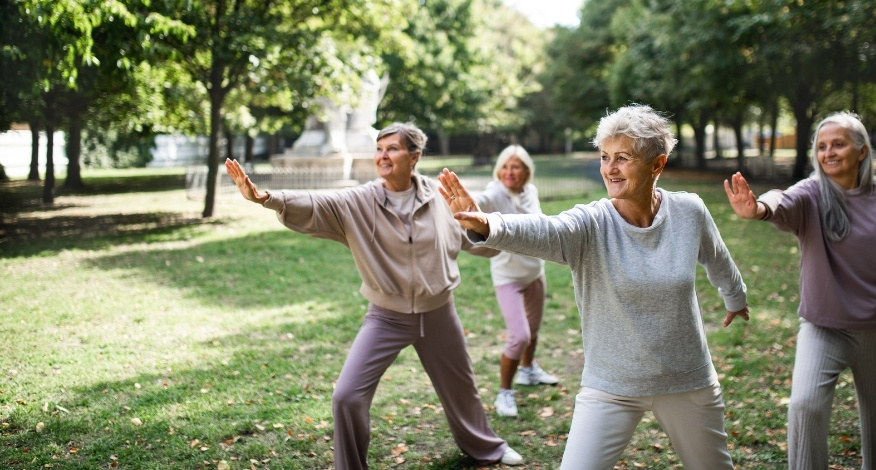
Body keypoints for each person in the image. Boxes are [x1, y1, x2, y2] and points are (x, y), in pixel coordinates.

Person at [438, 104, 750, 470]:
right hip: (611, 386)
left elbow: (718, 259)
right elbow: (546, 230)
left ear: (657, 165)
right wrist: (488, 225)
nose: (610, 169)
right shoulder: (591, 223)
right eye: (604, 157)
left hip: (686, 379)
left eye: (623, 158)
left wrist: (735, 296)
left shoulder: (689, 212)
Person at [224, 122, 524, 469]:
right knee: (346, 396)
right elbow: (316, 202)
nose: (383, 155)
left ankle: (487, 448)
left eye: (392, 148)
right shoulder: (359, 200)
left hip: (439, 311)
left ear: (414, 156)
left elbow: (480, 244)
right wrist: (267, 198)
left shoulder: (440, 196)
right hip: (386, 317)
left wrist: (482, 228)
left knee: (462, 390)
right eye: (379, 148)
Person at [724, 111, 876, 470]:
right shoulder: (811, 194)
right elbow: (781, 201)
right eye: (822, 147)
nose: (829, 153)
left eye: (838, 144)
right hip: (826, 325)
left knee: (875, 418)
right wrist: (759, 209)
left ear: (861, 150)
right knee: (804, 405)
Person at [473, 145, 558, 418]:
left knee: (533, 331)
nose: (510, 172)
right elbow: (480, 202)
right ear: (499, 169)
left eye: (516, 167)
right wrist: (465, 203)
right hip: (508, 276)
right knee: (519, 336)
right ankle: (504, 392)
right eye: (506, 167)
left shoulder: (530, 192)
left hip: (535, 271)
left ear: (526, 171)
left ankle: (528, 371)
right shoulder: (496, 192)